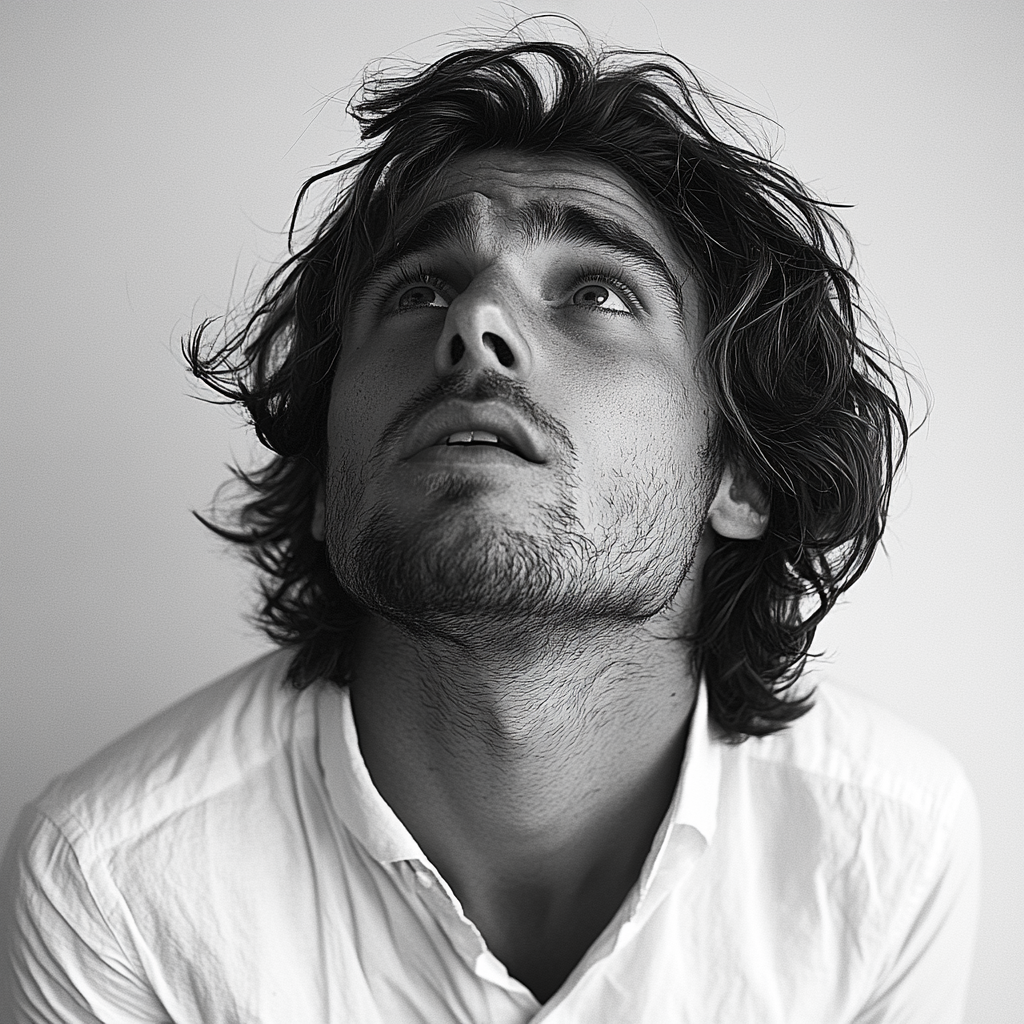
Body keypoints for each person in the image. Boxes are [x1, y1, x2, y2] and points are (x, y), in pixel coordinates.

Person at [1, 36, 980, 1024]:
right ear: (330, 476)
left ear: (739, 475)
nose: (474, 320)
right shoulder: (113, 886)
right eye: (419, 289)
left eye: (595, 291)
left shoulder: (883, 844)